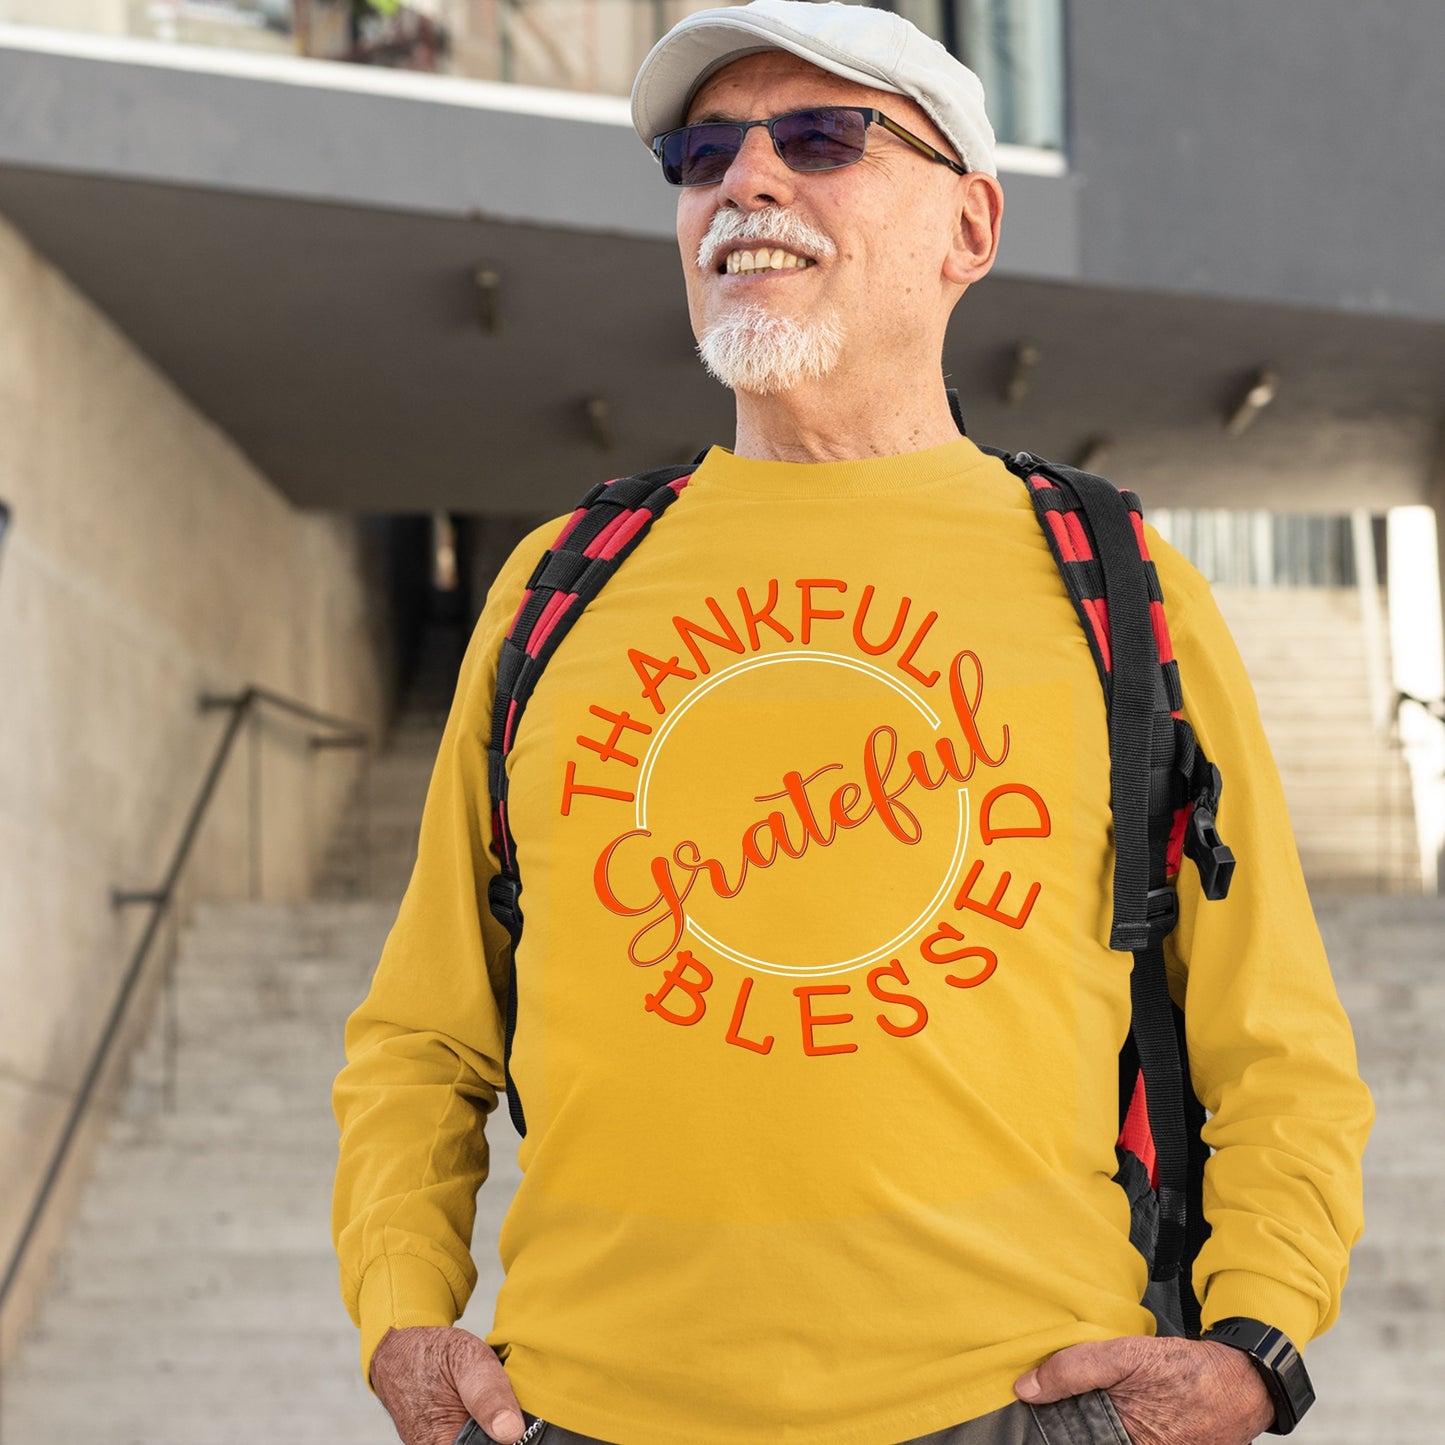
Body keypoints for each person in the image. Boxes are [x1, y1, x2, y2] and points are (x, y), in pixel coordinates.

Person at [331, 4, 1373, 1443]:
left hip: (1015, 1407)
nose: (743, 183)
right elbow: (421, 1036)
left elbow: (1274, 1042)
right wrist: (400, 1310)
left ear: (968, 224)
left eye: (820, 137)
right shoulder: (561, 583)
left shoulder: (1122, 586)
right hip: (582, 1411)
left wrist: (1255, 1344)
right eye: (701, 155)